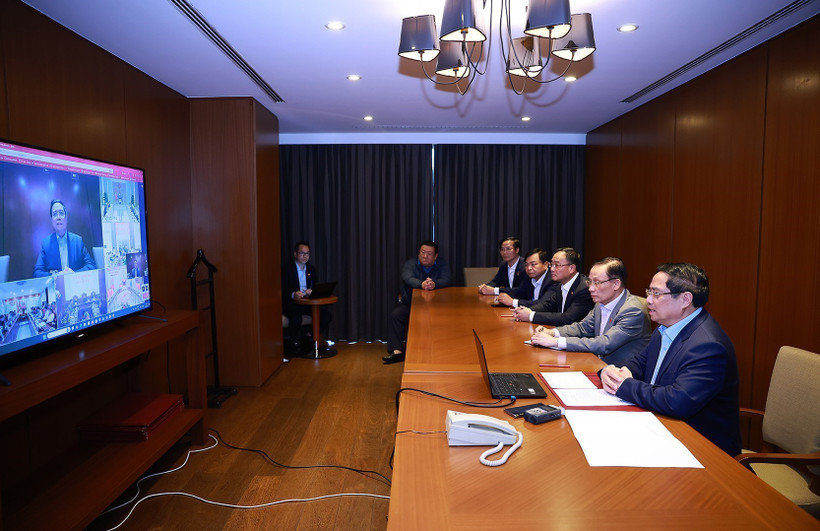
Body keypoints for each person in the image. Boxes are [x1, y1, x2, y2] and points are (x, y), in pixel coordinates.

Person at [600, 263, 741, 456]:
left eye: (656, 294)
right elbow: (639, 363)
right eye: (649, 291)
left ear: (685, 299)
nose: (648, 300)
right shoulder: (665, 328)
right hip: (660, 428)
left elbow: (677, 401)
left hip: (702, 450)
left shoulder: (708, 346)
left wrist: (623, 385)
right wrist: (611, 371)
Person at [530, 257, 650, 365]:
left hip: (621, 374)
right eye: (589, 282)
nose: (590, 288)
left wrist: (556, 342)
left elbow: (605, 343)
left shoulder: (633, 311)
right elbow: (582, 328)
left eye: (597, 282)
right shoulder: (601, 303)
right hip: (597, 364)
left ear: (616, 284)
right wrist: (553, 332)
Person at [384, 241, 451, 364]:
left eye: (429, 254)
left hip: (436, 307)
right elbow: (407, 278)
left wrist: (435, 284)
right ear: (419, 253)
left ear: (435, 256)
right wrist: (421, 284)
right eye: (423, 252)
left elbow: (447, 279)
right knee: (396, 315)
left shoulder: (442, 264)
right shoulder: (410, 264)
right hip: (411, 304)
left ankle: (442, 351)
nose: (425, 256)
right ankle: (397, 351)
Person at [512, 247, 593, 326]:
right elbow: (547, 305)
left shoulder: (584, 288)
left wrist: (531, 316)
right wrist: (526, 311)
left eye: (557, 265)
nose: (552, 269)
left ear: (571, 268)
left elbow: (568, 318)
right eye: (552, 264)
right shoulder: (561, 285)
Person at [282, 242, 331, 351]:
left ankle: (310, 336)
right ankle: (293, 343)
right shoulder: (287, 269)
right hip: (292, 304)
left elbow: (315, 286)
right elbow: (282, 289)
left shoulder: (311, 269)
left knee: (326, 316)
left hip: (307, 303)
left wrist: (312, 291)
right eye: (302, 253)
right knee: (296, 319)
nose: (305, 256)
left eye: (307, 254)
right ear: (295, 254)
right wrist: (293, 294)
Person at [33, 200, 96, 278]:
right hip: (56, 288)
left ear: (66, 218)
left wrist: (74, 274)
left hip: (75, 285)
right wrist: (56, 275)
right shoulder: (46, 244)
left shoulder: (77, 241)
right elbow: (37, 272)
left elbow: (91, 266)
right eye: (55, 214)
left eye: (61, 213)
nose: (58, 217)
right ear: (52, 220)